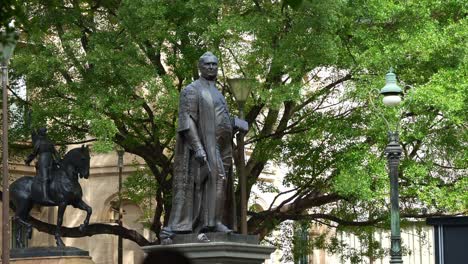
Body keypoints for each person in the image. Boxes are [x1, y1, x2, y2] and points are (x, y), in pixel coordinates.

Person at [161, 52, 246, 243]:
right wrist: (198, 148)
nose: (211, 67)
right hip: (206, 145)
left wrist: (235, 124)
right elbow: (187, 122)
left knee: (222, 182)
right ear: (200, 67)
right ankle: (212, 223)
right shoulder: (192, 90)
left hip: (224, 146)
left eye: (215, 64)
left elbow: (219, 119)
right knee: (217, 178)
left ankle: (215, 221)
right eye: (207, 64)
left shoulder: (217, 92)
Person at [25, 127, 60, 203]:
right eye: (43, 131)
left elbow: (55, 152)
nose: (45, 132)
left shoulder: (49, 141)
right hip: (43, 161)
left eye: (45, 131)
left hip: (51, 160)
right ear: (40, 132)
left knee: (57, 176)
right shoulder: (38, 141)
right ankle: (45, 197)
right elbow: (34, 153)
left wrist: (59, 160)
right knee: (45, 178)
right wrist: (28, 160)